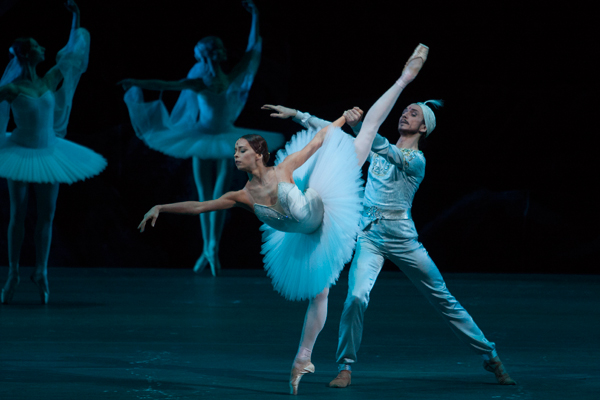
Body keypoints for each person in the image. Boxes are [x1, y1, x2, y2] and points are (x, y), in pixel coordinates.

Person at [138, 44, 429, 394]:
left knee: (366, 130)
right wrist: (162, 207)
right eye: (235, 151)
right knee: (319, 294)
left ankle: (404, 78)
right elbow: (200, 206)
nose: (235, 156)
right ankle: (302, 358)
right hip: (304, 232)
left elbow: (320, 140)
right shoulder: (241, 196)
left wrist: (340, 120)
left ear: (258, 155)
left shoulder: (284, 169)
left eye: (240, 151)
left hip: (326, 200)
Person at [268, 50, 517, 388]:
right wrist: (297, 114)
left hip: (402, 237)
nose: (405, 114)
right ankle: (345, 366)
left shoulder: (416, 160)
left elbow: (381, 145)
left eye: (413, 113)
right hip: (369, 235)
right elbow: (333, 134)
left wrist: (364, 129)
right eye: (403, 110)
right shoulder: (376, 147)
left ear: (424, 126)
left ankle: (489, 354)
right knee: (356, 296)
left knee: (442, 298)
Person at [120, 0, 283, 276]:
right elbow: (166, 85)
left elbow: (253, 51)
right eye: (216, 48)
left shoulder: (230, 76)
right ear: (207, 54)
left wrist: (255, 15)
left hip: (224, 138)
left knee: (222, 196)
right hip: (200, 138)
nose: (221, 51)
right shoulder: (199, 81)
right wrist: (137, 83)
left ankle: (213, 247)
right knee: (204, 194)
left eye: (220, 47)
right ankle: (207, 247)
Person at [0, 0, 106, 305]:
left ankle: (42, 271)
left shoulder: (49, 78)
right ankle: (13, 272)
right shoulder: (11, 88)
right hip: (19, 150)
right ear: (25, 53)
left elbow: (72, 56)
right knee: (18, 214)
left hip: (49, 150)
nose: (43, 48)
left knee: (46, 215)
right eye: (36, 45)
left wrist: (76, 17)